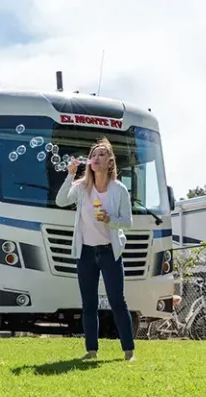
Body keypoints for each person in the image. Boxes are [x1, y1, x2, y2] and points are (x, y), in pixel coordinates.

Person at [55, 138, 135, 361]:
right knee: (88, 303)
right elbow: (61, 201)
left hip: (110, 252)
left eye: (101, 154)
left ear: (110, 162)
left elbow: (127, 222)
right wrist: (70, 174)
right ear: (89, 161)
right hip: (86, 252)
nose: (96, 157)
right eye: (94, 154)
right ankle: (91, 351)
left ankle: (129, 352)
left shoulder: (119, 190)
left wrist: (111, 219)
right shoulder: (81, 187)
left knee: (117, 301)